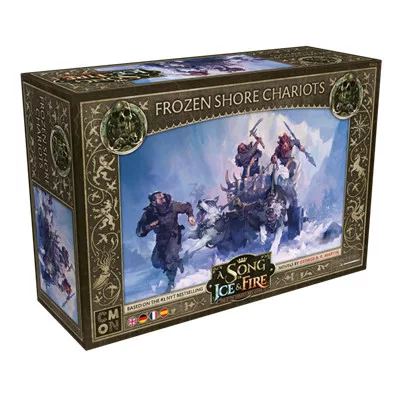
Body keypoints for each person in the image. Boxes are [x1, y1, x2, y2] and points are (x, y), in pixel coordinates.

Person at [136, 192, 195, 292]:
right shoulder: (149, 213)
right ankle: (175, 264)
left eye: (163, 198)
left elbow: (187, 207)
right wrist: (149, 226)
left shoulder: (173, 205)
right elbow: (139, 232)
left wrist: (190, 216)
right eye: (160, 199)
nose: (163, 200)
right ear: (154, 202)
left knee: (170, 257)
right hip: (161, 239)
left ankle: (171, 283)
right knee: (156, 262)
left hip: (174, 235)